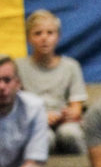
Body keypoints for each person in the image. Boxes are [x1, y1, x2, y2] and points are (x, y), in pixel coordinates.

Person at [15, 9, 87, 155]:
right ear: (28, 38)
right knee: (43, 136)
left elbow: (76, 107)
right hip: (31, 122)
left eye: (50, 33)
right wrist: (39, 117)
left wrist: (68, 114)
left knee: (71, 134)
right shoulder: (17, 67)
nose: (44, 38)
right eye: (38, 33)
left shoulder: (71, 66)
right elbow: (14, 105)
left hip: (63, 122)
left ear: (58, 37)